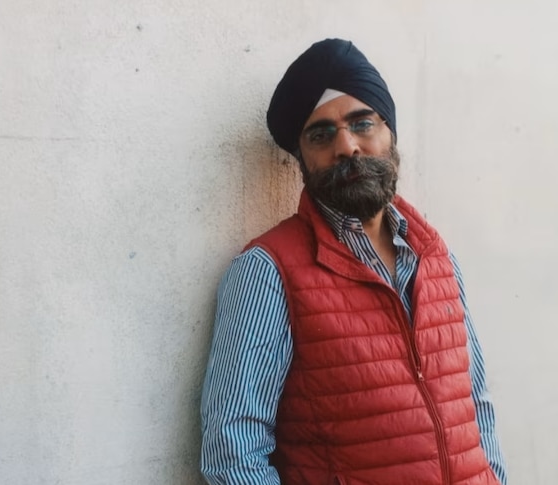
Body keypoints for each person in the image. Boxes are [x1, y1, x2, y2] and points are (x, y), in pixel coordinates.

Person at [200, 38, 507, 485]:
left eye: (362, 123)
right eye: (321, 134)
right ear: (301, 157)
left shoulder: (437, 257)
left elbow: (476, 406)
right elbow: (232, 451)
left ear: (390, 132)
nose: (347, 146)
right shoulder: (268, 271)